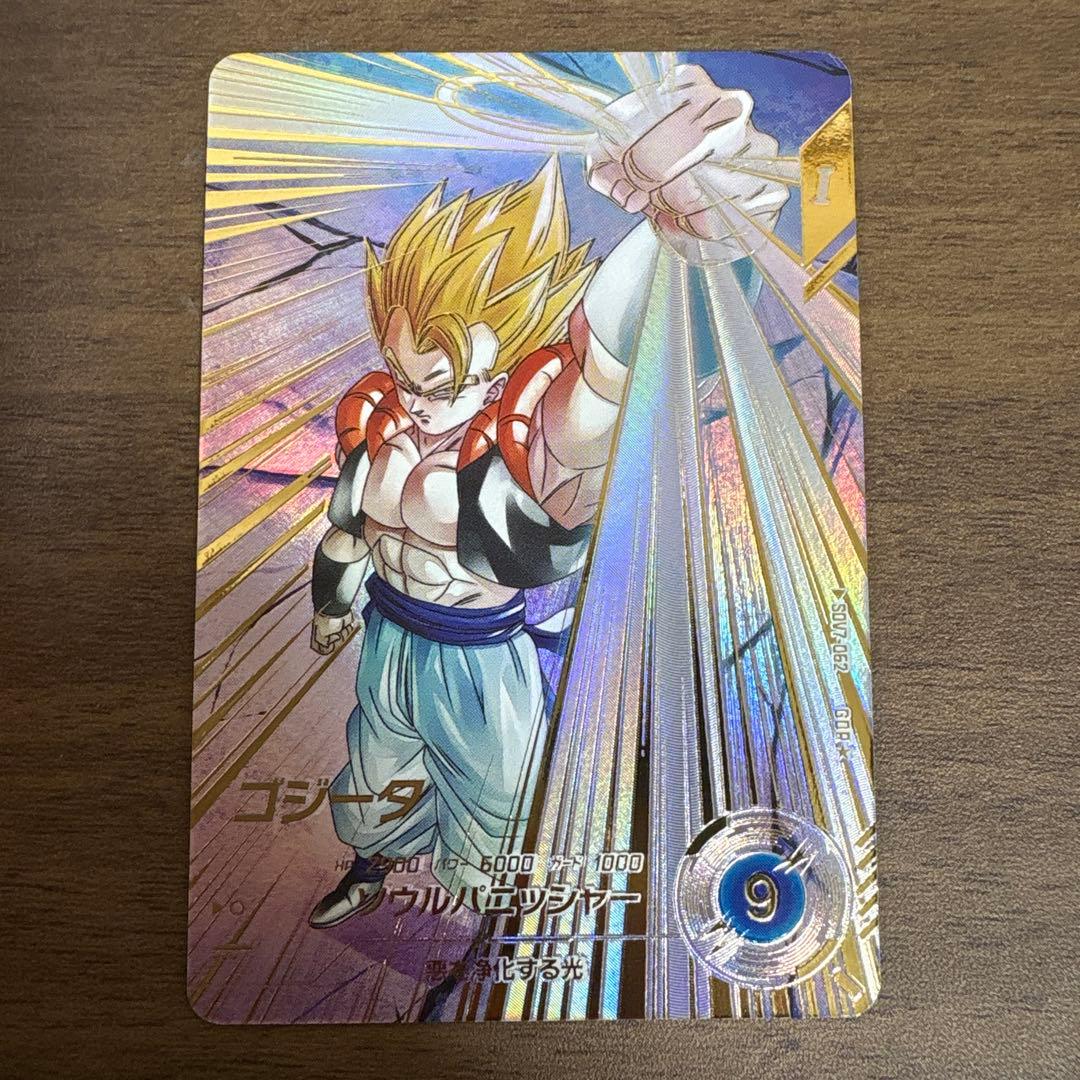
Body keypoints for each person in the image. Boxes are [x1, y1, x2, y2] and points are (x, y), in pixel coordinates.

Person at [307, 65, 788, 928]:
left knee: (492, 811)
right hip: (387, 638)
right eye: (407, 374)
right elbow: (347, 531)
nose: (419, 400)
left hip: (478, 658)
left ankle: (482, 935)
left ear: (501, 366)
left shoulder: (525, 443)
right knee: (371, 783)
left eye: (443, 383)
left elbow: (609, 374)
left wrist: (698, 231)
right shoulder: (378, 420)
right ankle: (370, 868)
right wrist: (332, 604)